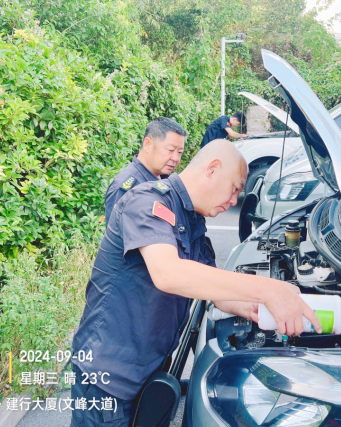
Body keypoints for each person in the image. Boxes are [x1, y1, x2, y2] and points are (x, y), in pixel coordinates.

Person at [69, 139, 321, 427]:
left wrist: (259, 309)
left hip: (148, 366)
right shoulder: (146, 202)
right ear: (212, 169)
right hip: (108, 375)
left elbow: (215, 292)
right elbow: (168, 273)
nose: (234, 201)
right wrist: (268, 290)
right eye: (235, 188)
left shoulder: (192, 221)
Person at [104, 117, 187, 222]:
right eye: (170, 150)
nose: (175, 158)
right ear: (148, 144)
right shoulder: (126, 188)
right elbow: (116, 230)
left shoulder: (165, 180)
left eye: (180, 152)